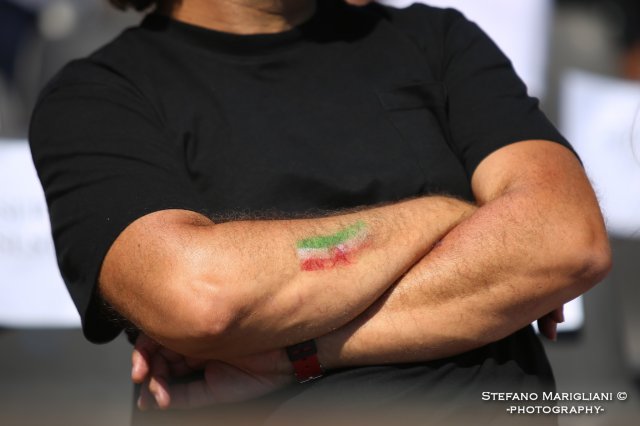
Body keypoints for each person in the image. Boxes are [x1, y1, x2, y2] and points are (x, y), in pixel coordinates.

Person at [29, 0, 611, 424]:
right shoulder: (97, 96)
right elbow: (203, 298)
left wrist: (294, 353)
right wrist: (453, 215)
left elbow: (566, 238)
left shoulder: (435, 39)